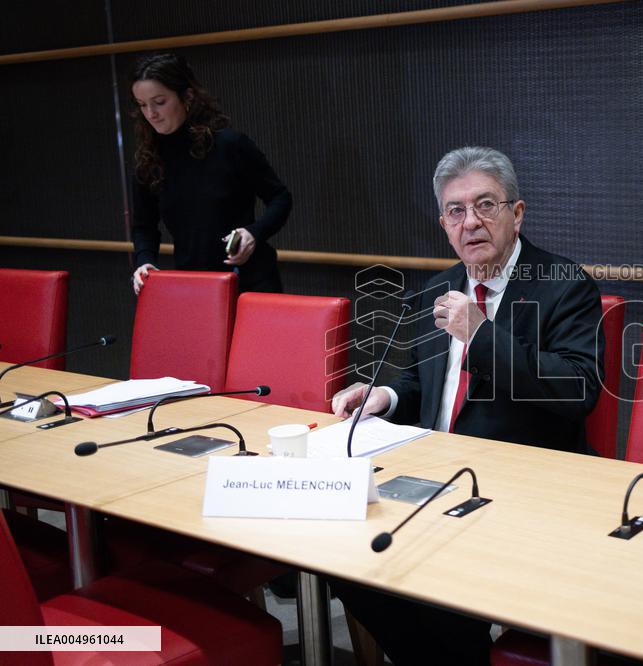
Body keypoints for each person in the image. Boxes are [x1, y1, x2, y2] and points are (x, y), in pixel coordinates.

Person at [331, 146, 605, 665]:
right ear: (443, 223)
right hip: (431, 476)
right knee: (345, 560)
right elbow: (423, 382)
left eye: (486, 205)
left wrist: (482, 336)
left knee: (437, 583)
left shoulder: (564, 285)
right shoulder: (438, 287)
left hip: (519, 486)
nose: (471, 222)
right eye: (456, 211)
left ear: (516, 213)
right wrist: (383, 397)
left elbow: (577, 391)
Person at [129, 52, 291, 294]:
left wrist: (253, 233)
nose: (151, 113)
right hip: (195, 287)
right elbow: (144, 226)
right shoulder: (149, 160)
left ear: (187, 96)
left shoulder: (230, 145)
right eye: (142, 105)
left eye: (159, 102)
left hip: (250, 283)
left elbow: (280, 197)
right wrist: (145, 261)